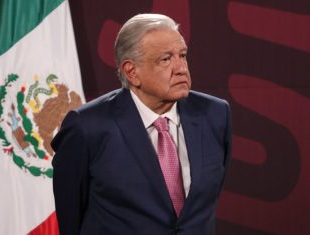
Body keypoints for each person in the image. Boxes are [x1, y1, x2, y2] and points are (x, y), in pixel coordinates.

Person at [51, 13, 232, 235]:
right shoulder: (88, 127)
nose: (181, 68)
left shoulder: (214, 114)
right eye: (165, 59)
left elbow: (203, 203)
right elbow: (71, 216)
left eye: (182, 55)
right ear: (131, 71)